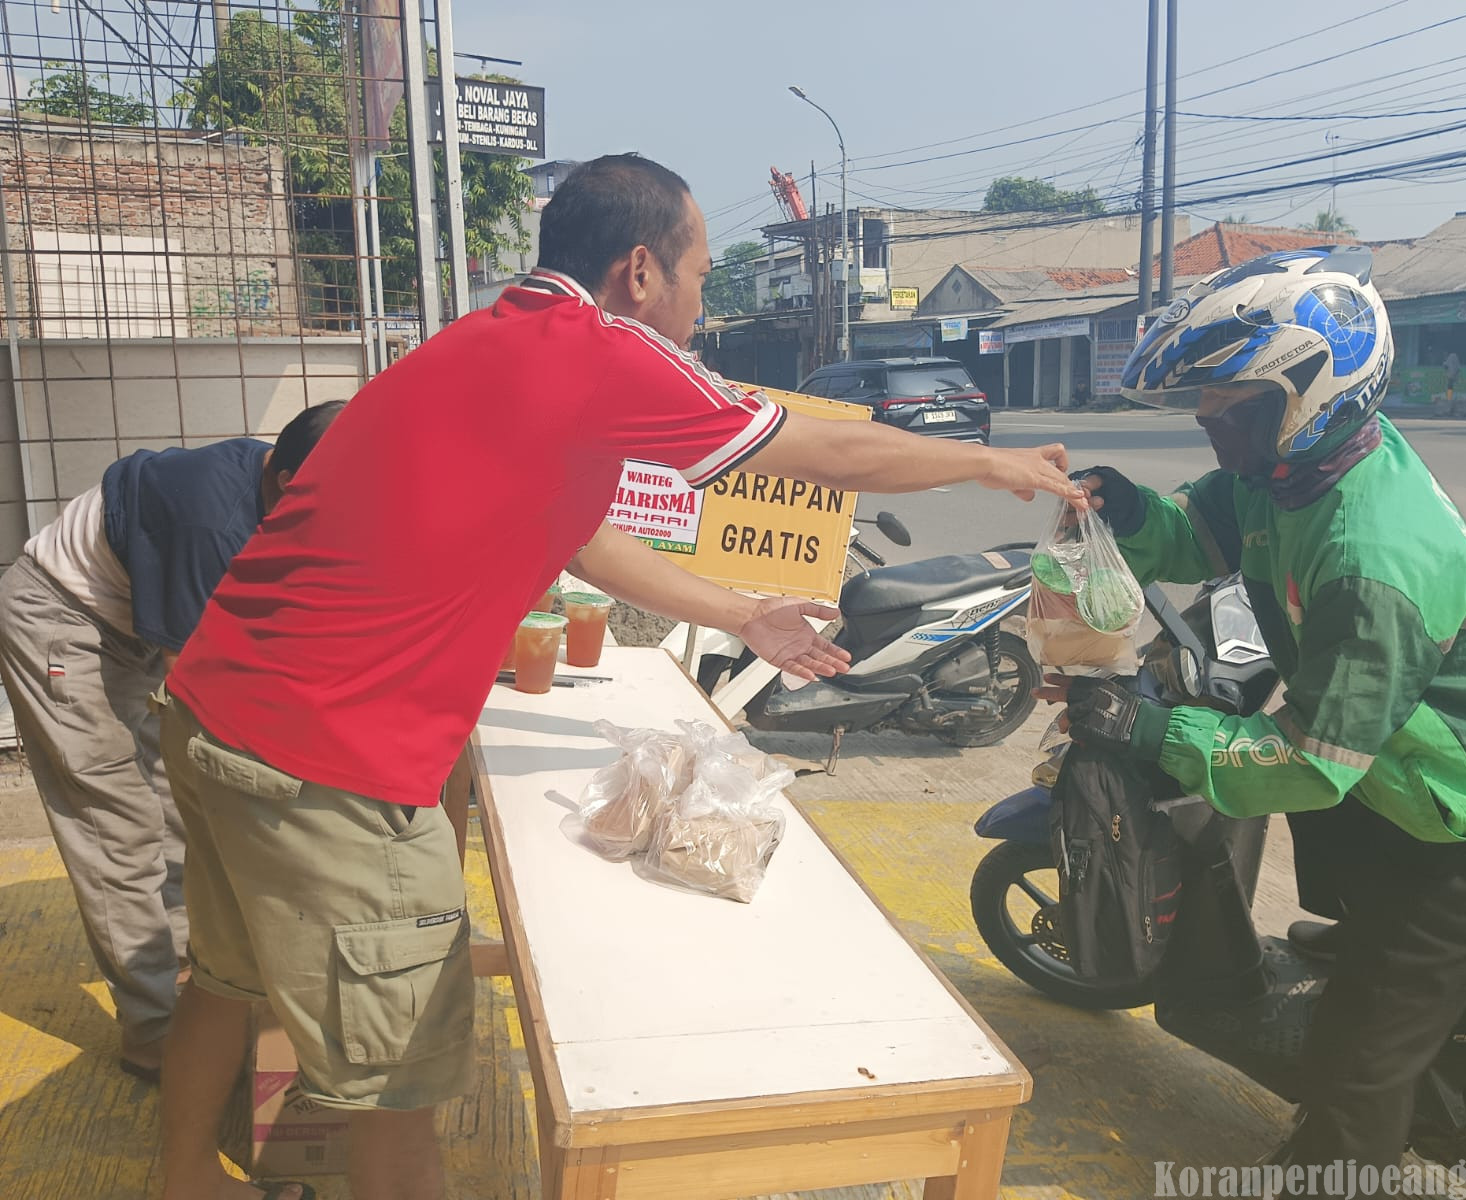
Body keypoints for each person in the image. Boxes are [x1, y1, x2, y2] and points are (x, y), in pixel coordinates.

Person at [154, 152, 1082, 1200]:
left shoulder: (491, 338)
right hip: (328, 758)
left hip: (214, 709)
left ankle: (182, 1178)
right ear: (638, 270)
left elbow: (588, 543)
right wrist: (988, 461)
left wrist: (746, 616)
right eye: (698, 273)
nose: (700, 300)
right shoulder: (597, 348)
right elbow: (822, 452)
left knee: (224, 981)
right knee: (399, 1083)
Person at [1041, 246, 1466, 1182]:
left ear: (1304, 393)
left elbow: (1312, 762)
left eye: (1227, 402)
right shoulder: (1291, 467)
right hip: (1396, 763)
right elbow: (1200, 533)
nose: (1210, 419)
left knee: (1363, 1062)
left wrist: (1154, 729)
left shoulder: (1371, 560)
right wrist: (1124, 508)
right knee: (1341, 897)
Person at [0, 401, 345, 1082]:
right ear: (284, 481)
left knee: (179, 810)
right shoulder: (211, 524)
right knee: (117, 826)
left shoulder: (287, 482)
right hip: (61, 619)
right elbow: (206, 700)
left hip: (132, 618)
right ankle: (154, 1032)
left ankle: (191, 976)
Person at [1441, 348, 1460, 414]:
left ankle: (1449, 406)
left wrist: (1444, 363)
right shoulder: (1455, 358)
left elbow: (1446, 366)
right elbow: (1458, 369)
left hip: (1451, 377)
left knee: (1450, 392)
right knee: (1453, 392)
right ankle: (1452, 406)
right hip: (1454, 377)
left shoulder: (1450, 357)